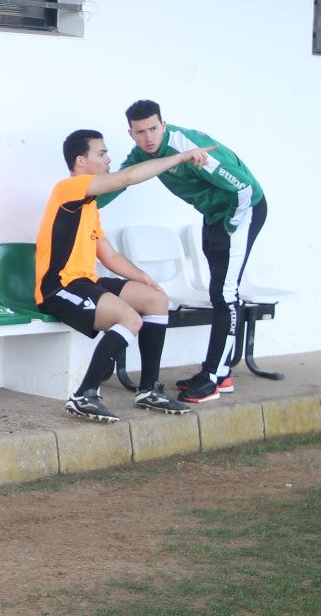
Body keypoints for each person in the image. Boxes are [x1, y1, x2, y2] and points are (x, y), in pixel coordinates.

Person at [36, 130, 214, 422]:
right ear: (81, 161)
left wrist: (145, 278)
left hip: (86, 283)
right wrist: (180, 157)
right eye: (101, 154)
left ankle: (149, 390)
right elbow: (127, 178)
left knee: (156, 299)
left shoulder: (89, 207)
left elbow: (109, 256)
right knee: (130, 319)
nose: (109, 160)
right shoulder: (68, 189)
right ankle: (84, 395)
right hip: (59, 288)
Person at [99, 100, 267, 403]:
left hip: (242, 211)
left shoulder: (187, 146)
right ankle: (222, 372)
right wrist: (80, 204)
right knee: (221, 292)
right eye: (141, 131)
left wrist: (230, 224)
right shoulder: (142, 154)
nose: (149, 136)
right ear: (131, 134)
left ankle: (214, 377)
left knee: (225, 293)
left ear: (163, 125)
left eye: (153, 128)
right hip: (214, 215)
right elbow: (119, 183)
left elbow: (243, 188)